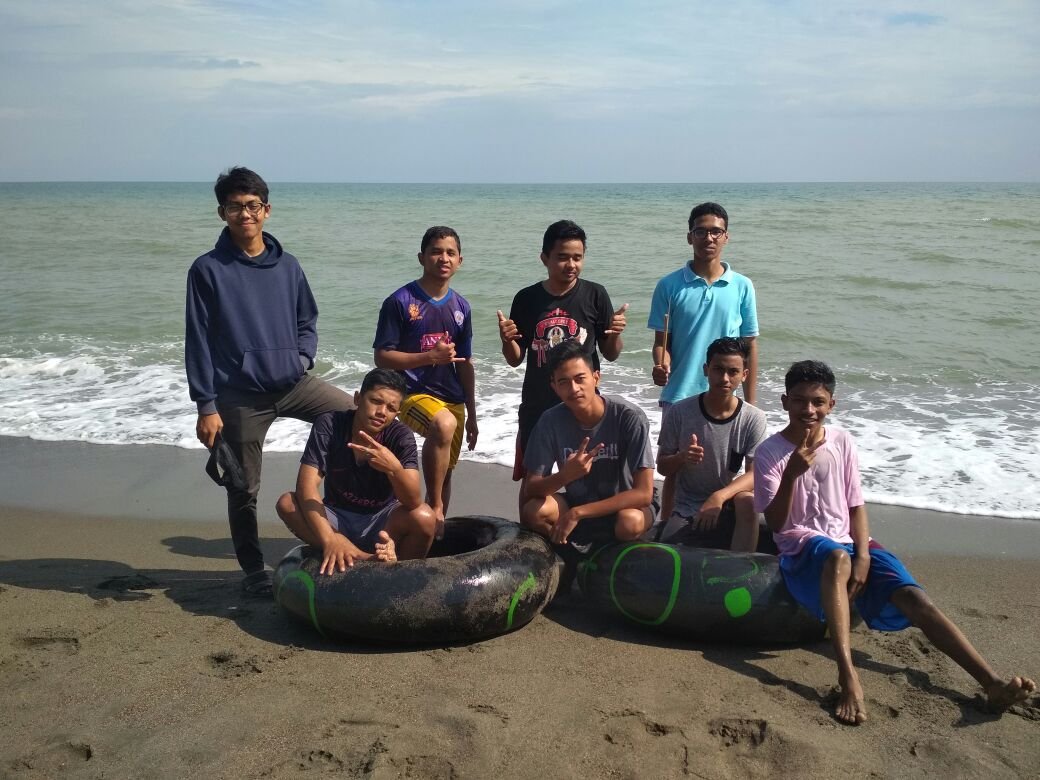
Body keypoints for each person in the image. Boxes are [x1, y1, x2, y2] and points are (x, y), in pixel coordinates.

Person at [754, 360, 1035, 725]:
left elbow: (856, 504)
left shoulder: (841, 440)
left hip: (849, 538)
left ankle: (991, 682)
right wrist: (792, 474)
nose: (809, 409)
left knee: (914, 598)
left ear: (832, 404)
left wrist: (866, 556)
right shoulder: (769, 452)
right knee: (838, 557)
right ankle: (848, 675)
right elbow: (776, 523)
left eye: (818, 401)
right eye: (799, 400)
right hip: (801, 543)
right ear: (784, 402)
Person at [185, 166, 354, 596]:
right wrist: (206, 406)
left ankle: (344, 525)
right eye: (235, 207)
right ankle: (253, 569)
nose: (245, 214)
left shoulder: (288, 266)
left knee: (354, 420)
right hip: (240, 395)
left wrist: (302, 356)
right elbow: (198, 339)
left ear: (267, 210)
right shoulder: (207, 269)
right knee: (243, 486)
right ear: (222, 213)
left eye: (252, 206)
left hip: (293, 383)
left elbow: (307, 319)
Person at [647, 202, 760, 522]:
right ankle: (666, 526)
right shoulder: (669, 286)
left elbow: (750, 346)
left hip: (728, 396)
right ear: (689, 237)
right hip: (681, 392)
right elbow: (661, 344)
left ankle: (720, 521)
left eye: (715, 231)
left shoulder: (742, 286)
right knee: (677, 468)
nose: (708, 237)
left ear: (726, 237)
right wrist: (660, 364)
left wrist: (751, 401)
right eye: (701, 231)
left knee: (728, 468)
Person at [498, 219, 628, 482]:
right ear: (544, 258)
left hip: (584, 405)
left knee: (589, 479)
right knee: (534, 481)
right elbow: (515, 359)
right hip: (538, 404)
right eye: (562, 257)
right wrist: (506, 339)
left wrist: (615, 334)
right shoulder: (526, 298)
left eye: (577, 258)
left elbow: (611, 353)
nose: (571, 265)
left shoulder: (595, 294)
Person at [275, 368, 436, 572]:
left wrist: (393, 468)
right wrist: (331, 538)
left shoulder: (400, 436)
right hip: (337, 516)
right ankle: (360, 556)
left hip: (381, 519)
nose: (381, 412)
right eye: (376, 401)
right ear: (358, 398)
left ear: (397, 413)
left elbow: (413, 501)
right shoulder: (330, 424)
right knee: (287, 503)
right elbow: (306, 486)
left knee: (424, 517)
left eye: (390, 408)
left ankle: (400, 574)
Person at [373, 226, 477, 536]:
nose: (443, 258)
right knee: (442, 424)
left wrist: (472, 412)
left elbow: (465, 363)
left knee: (444, 475)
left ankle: (432, 533)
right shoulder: (400, 302)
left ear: (460, 260)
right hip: (409, 393)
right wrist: (428, 357)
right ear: (422, 257)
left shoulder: (462, 307)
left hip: (452, 396)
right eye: (435, 251)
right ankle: (434, 511)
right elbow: (382, 356)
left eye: (450, 253)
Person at [521, 339, 656, 550]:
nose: (573, 389)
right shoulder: (550, 421)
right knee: (534, 512)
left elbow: (644, 493)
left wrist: (578, 513)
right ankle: (567, 553)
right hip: (578, 501)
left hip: (625, 505)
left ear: (596, 378)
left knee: (630, 523)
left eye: (580, 378)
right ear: (554, 387)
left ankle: (620, 556)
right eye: (564, 382)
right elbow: (532, 487)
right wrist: (566, 475)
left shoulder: (628, 417)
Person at [655, 337, 767, 552]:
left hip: (727, 500)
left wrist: (719, 497)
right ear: (706, 370)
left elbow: (755, 475)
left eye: (733, 372)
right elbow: (662, 467)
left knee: (747, 501)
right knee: (671, 553)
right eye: (718, 369)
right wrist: (681, 458)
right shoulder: (680, 412)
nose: (724, 378)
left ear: (744, 375)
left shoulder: (754, 418)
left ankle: (741, 570)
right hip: (688, 504)